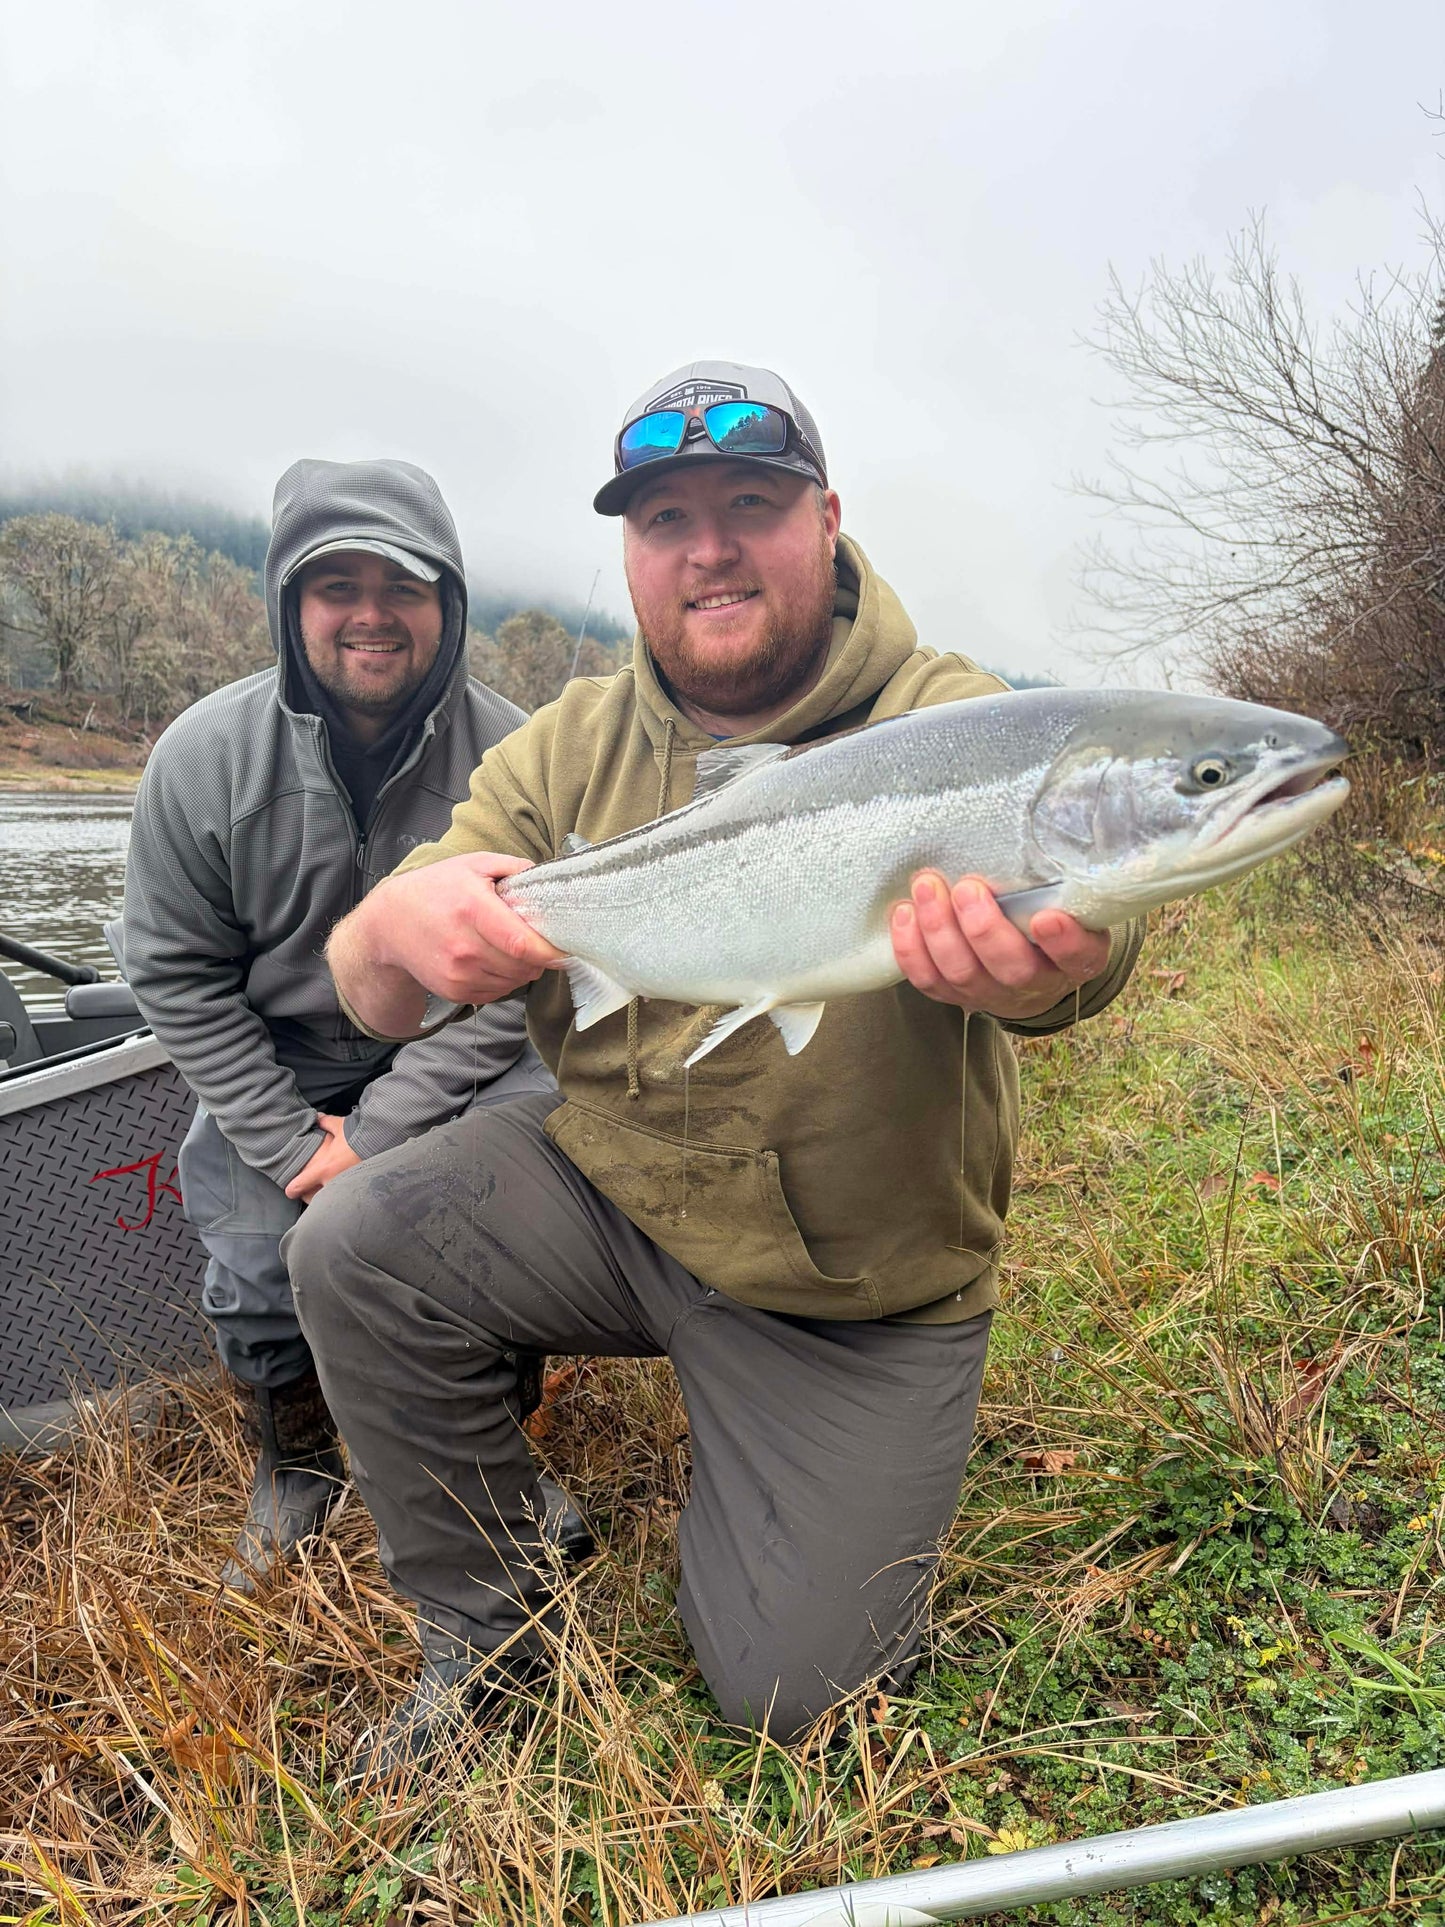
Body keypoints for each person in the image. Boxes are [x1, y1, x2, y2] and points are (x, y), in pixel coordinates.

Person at [293, 364, 1145, 1772]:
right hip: (613, 1206)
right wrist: (394, 926)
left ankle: (770, 1487)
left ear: (824, 518)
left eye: (750, 505)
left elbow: (1096, 941)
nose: (709, 549)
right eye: (666, 519)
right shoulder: (564, 747)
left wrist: (1061, 961)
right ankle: (490, 1627)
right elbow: (371, 983)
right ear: (630, 554)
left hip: (851, 1288)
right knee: (353, 1236)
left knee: (795, 1696)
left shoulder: (953, 720)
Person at [122, 457, 565, 1595]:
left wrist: (376, 1136)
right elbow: (176, 977)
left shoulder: (521, 757)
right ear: (289, 603)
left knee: (494, 1210)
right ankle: (296, 1463)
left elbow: (520, 986)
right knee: (253, 1253)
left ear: (446, 604)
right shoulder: (200, 760)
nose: (370, 614)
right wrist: (288, 1142)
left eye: (402, 586)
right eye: (336, 586)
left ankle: (492, 1446)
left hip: (459, 1058)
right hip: (276, 1063)